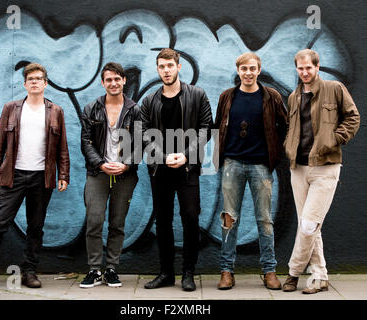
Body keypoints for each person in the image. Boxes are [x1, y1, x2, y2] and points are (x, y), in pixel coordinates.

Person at [0, 63, 70, 290]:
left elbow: (62, 147)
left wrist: (63, 173)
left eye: (39, 78)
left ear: (45, 84)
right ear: (25, 84)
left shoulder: (55, 111)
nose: (35, 82)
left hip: (41, 177)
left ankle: (29, 271)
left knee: (35, 227)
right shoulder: (12, 108)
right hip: (13, 176)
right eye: (31, 79)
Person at [282, 49, 360, 294]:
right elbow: (292, 128)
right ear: (296, 69)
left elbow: (353, 117)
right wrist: (288, 146)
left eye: (309, 67)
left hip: (325, 167)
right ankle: (320, 275)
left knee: (308, 225)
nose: (305, 72)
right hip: (299, 168)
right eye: (300, 68)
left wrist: (334, 139)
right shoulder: (294, 97)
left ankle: (293, 272)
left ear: (317, 67)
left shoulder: (334, 89)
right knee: (310, 225)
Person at [213, 52, 288, 290]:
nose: (248, 73)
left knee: (265, 220)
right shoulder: (227, 97)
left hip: (260, 166)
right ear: (238, 71)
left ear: (259, 70)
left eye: (252, 68)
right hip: (232, 164)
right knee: (228, 219)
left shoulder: (270, 96)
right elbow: (218, 128)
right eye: (244, 69)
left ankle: (269, 270)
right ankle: (226, 271)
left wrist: (275, 156)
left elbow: (284, 126)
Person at [141, 48, 213, 291]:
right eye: (161, 66)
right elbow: (142, 134)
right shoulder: (150, 100)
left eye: (170, 66)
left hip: (188, 168)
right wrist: (162, 157)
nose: (166, 70)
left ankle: (188, 272)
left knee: (190, 218)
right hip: (159, 171)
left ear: (178, 66)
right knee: (163, 221)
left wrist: (186, 155)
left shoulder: (197, 95)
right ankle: (166, 273)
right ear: (158, 69)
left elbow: (205, 129)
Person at [80, 62, 140, 288]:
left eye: (117, 79)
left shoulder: (135, 110)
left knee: (117, 222)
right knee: (94, 221)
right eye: (109, 80)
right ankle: (94, 269)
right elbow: (86, 143)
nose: (113, 83)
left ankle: (111, 268)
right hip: (98, 173)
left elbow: (141, 144)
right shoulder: (91, 109)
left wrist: (126, 165)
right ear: (103, 82)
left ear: (124, 80)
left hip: (125, 175)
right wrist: (101, 164)